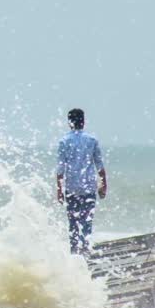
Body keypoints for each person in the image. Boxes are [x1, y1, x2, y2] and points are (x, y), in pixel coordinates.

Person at [55, 108, 107, 255]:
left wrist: (59, 190)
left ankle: (74, 252)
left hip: (71, 187)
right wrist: (104, 185)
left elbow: (60, 168)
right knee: (87, 220)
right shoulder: (92, 140)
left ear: (69, 123)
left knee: (73, 222)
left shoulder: (64, 141)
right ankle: (85, 250)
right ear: (83, 121)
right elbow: (99, 165)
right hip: (89, 186)